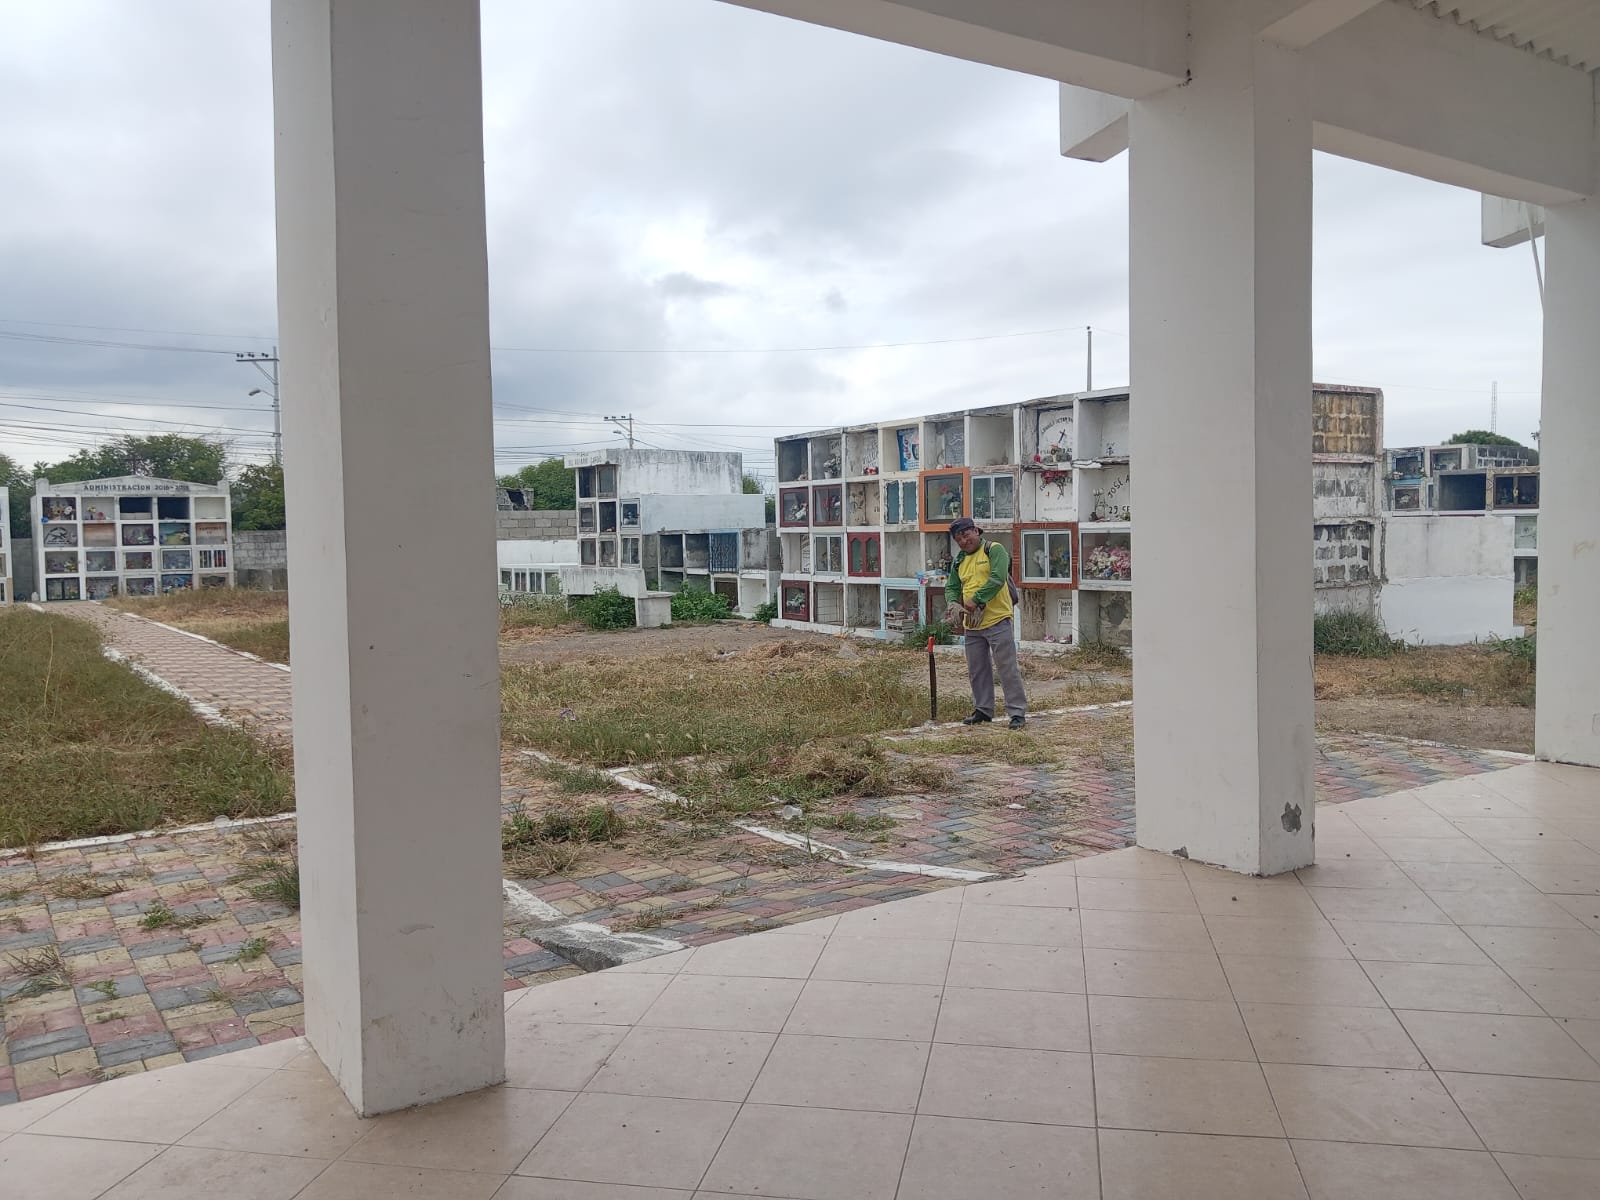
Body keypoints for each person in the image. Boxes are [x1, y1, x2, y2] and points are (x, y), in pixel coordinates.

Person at [943, 516, 1027, 729]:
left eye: (966, 535)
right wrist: (953, 603)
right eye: (958, 539)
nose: (964, 541)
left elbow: (997, 578)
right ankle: (983, 709)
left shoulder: (994, 549)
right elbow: (952, 585)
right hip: (972, 624)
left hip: (997, 619)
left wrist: (976, 600)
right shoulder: (960, 559)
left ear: (975, 531)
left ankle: (1017, 712)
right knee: (977, 669)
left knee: (1006, 667)